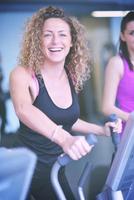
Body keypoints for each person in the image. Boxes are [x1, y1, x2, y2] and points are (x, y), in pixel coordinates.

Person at [9, 6, 122, 200]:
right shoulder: (23, 74)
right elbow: (23, 109)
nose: (55, 41)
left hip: (56, 168)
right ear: (37, 41)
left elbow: (69, 120)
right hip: (29, 171)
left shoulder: (70, 76)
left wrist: (101, 130)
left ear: (72, 42)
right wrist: (65, 139)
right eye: (47, 35)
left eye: (62, 35)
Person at [102, 11, 134, 136]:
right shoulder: (117, 63)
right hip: (130, 136)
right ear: (122, 36)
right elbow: (107, 107)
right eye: (132, 33)